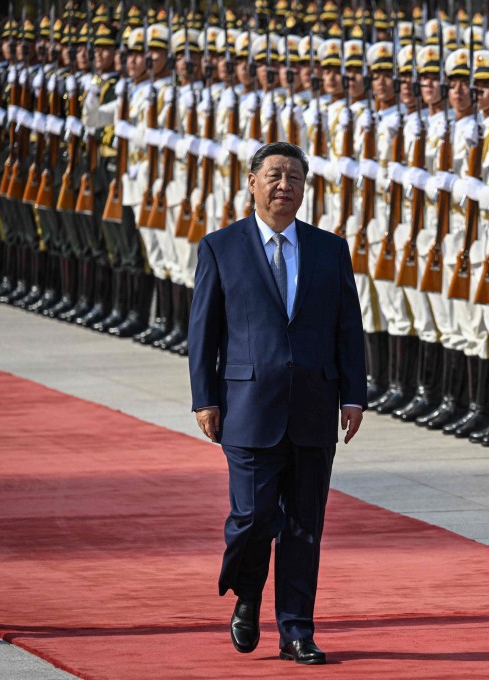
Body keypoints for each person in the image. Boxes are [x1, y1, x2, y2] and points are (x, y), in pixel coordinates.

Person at [187, 141, 367, 665]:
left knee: (303, 526)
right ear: (252, 182)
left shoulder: (329, 249)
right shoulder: (221, 247)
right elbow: (204, 331)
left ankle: (296, 630)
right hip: (246, 405)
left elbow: (347, 328)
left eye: (294, 177)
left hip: (314, 405)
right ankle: (247, 592)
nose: (284, 185)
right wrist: (204, 397)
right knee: (251, 517)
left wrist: (353, 394)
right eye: (274, 175)